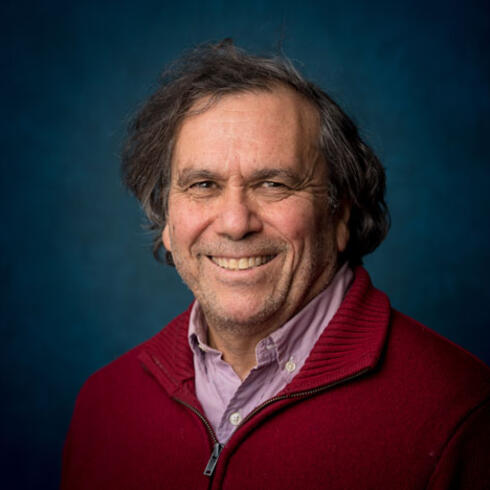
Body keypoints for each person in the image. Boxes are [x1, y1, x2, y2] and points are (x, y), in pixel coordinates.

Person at [61, 40, 490, 489]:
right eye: (203, 184)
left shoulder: (458, 414)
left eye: (273, 184)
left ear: (340, 215)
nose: (235, 223)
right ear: (167, 219)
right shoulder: (104, 406)